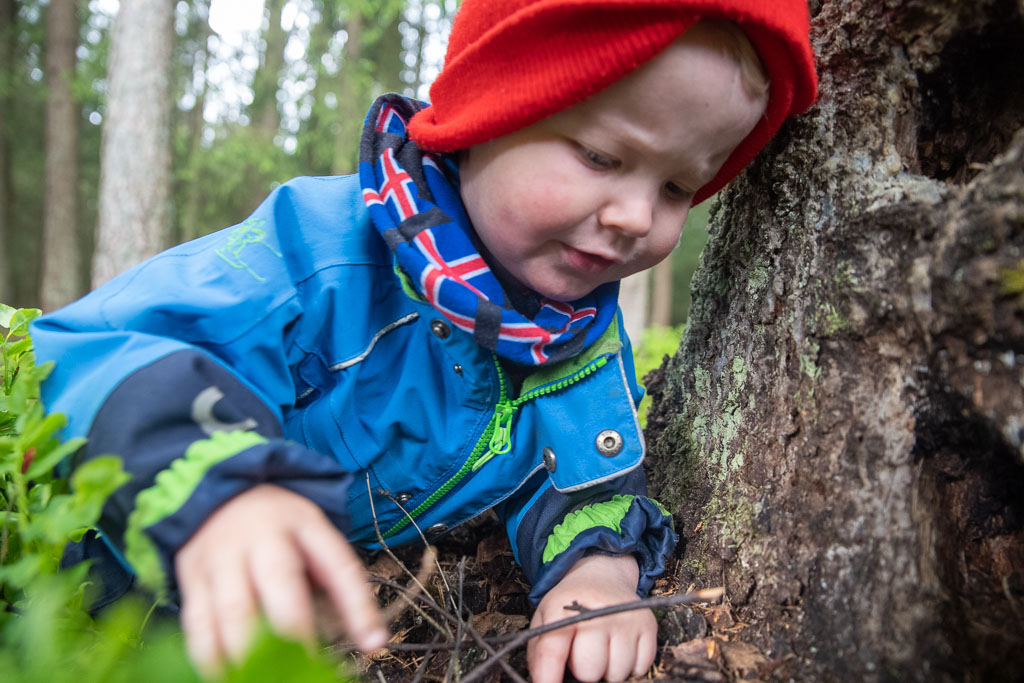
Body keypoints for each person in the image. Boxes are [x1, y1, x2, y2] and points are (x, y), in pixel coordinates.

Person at [32, 1, 817, 680]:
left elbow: (580, 481)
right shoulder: (316, 257)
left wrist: (599, 572)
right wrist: (218, 489)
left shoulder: (572, 338)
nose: (637, 217)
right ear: (489, 113)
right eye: (602, 157)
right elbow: (86, 352)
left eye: (678, 186)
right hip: (63, 572)